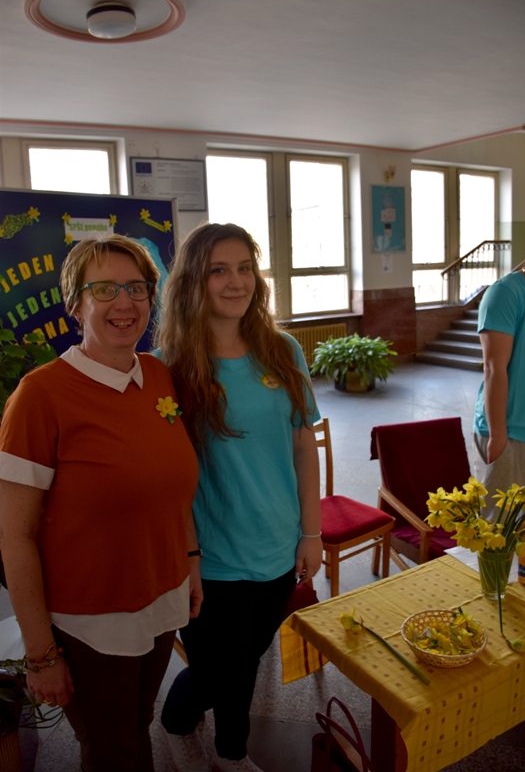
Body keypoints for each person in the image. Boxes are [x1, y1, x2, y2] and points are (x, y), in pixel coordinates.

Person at [0, 235, 201, 772]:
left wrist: (189, 562)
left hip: (162, 598)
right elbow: (14, 536)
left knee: (137, 724)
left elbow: (171, 487)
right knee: (110, 750)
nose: (125, 303)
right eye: (105, 289)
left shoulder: (157, 375)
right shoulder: (40, 396)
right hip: (91, 621)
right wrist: (41, 654)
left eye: (137, 288)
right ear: (76, 303)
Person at [156, 223, 322, 772]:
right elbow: (163, 477)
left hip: (278, 547)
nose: (236, 282)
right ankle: (180, 724)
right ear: (192, 283)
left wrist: (311, 531)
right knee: (215, 671)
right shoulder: (168, 368)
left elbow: (303, 445)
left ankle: (230, 750)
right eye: (218, 271)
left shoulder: (283, 349)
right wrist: (186, 557)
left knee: (246, 661)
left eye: (245, 268)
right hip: (210, 558)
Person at [473, 229, 525, 512]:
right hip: (510, 432)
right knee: (495, 529)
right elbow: (494, 368)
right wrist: (498, 438)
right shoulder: (507, 292)